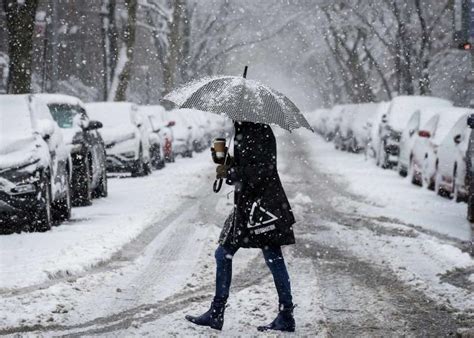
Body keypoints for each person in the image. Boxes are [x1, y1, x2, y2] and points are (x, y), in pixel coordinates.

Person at [185, 121, 296, 332]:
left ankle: (285, 314)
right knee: (226, 253)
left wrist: (231, 172)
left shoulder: (258, 130)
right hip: (250, 206)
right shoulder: (245, 129)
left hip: (262, 209)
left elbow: (262, 170)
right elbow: (249, 165)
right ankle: (218, 313)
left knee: (271, 257)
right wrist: (226, 160)